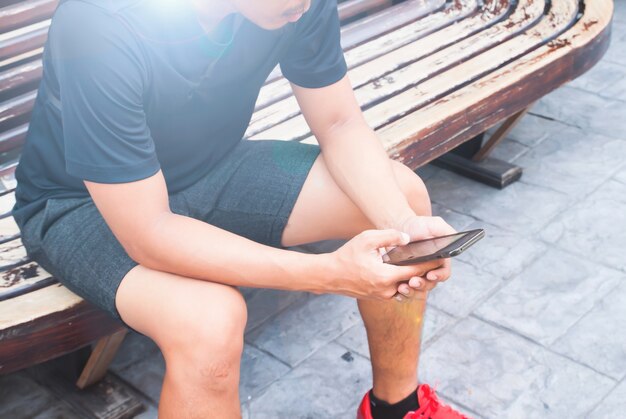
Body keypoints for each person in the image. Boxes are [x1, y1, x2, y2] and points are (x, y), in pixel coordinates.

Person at [12, 0, 471, 417]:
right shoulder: (101, 21)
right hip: (80, 206)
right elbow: (149, 230)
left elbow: (340, 121)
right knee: (210, 322)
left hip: (209, 168)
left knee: (403, 198)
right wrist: (328, 273)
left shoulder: (295, 4)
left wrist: (404, 227)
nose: (310, 4)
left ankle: (397, 408)